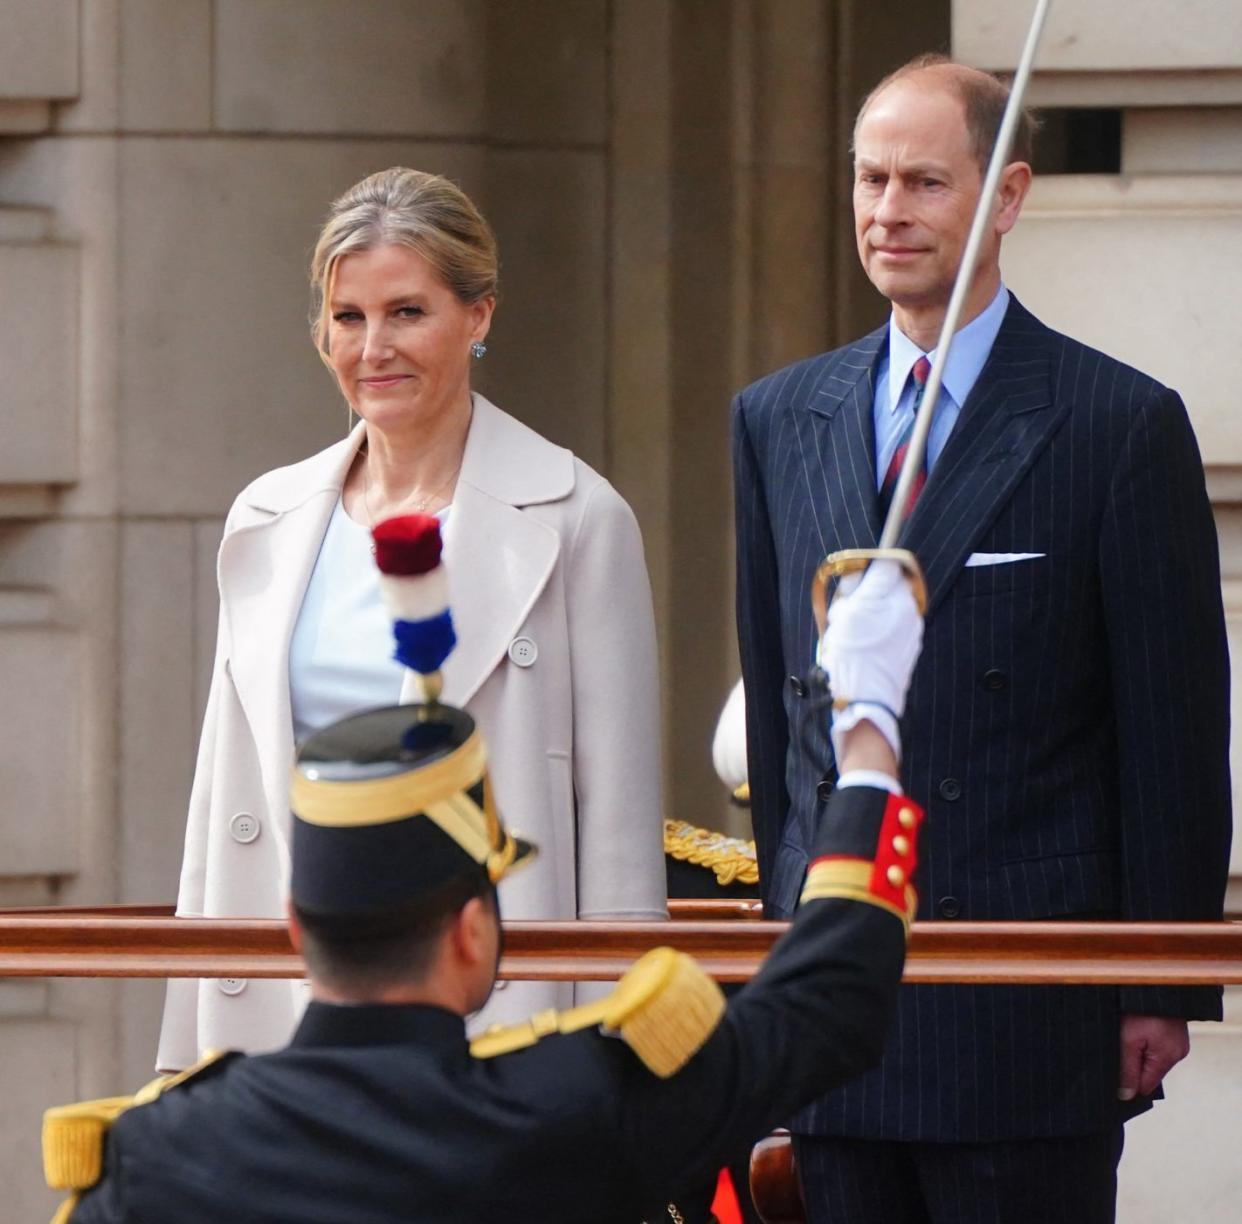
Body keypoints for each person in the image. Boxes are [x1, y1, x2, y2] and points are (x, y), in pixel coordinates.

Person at [44, 541, 927, 1224]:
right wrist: (866, 740)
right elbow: (824, 1005)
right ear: (471, 932)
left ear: (294, 925)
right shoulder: (565, 1107)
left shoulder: (152, 1150)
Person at [731, 54, 1232, 1224]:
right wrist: (777, 959)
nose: (887, 212)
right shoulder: (774, 417)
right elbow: (777, 718)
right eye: (868, 180)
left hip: (1025, 1003)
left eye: (923, 183)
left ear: (1006, 197)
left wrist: (1159, 985)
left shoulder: (1117, 422)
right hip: (837, 1006)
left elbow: (1172, 733)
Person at [157, 167, 666, 1072]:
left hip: (493, 1034)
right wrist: (181, 1062)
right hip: (286, 1019)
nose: (372, 348)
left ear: (479, 317)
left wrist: (614, 1081)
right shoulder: (263, 521)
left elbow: (621, 841)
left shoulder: (579, 518)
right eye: (347, 317)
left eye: (406, 312)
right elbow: (219, 809)